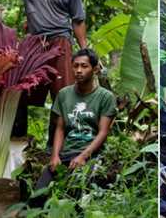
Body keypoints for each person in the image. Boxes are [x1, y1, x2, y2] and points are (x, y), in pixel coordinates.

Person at [0, 0, 87, 148]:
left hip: (60, 43)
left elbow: (78, 20)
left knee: (63, 96)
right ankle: (17, 142)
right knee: (19, 89)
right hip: (34, 45)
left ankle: (55, 148)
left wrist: (84, 50)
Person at [33, 48, 116, 201]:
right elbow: (60, 127)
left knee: (73, 196)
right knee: (37, 197)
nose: (78, 70)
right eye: (75, 66)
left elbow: (103, 132)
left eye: (84, 66)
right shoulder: (64, 94)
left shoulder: (105, 97)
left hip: (91, 155)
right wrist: (55, 156)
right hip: (65, 153)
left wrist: (83, 156)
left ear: (95, 69)